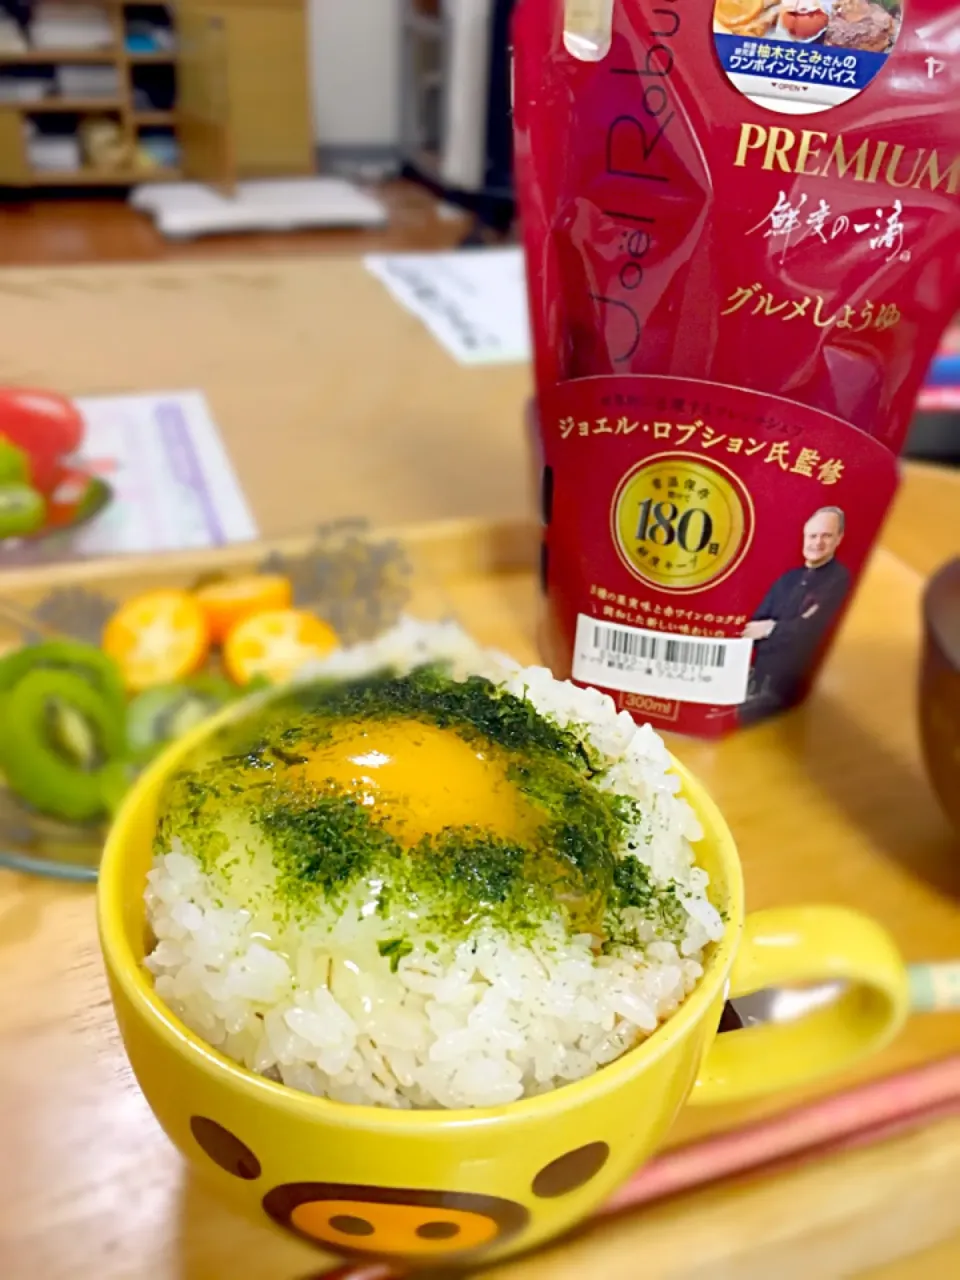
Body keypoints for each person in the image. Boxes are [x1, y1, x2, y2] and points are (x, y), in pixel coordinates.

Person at [739, 506, 851, 722]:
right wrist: (782, 629)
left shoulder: (839, 578)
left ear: (839, 538)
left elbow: (811, 630)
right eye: (812, 536)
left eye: (826, 536)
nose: (817, 543)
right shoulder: (787, 579)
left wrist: (772, 629)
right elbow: (755, 625)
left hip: (792, 689)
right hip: (757, 678)